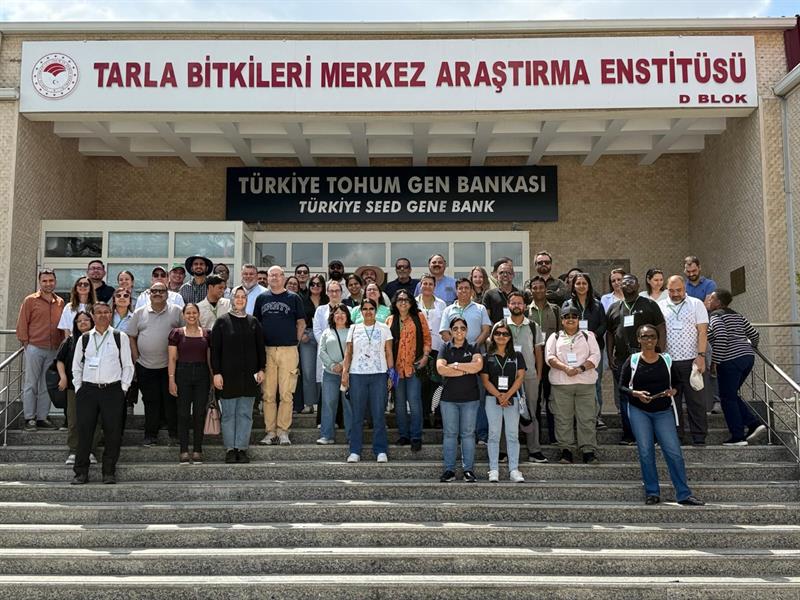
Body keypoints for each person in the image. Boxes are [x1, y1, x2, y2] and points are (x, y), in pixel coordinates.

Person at [619, 324, 705, 506]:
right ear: (638, 339)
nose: (648, 340)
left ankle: (683, 494)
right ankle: (652, 492)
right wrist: (635, 393)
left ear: (657, 339)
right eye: (644, 336)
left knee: (674, 452)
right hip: (639, 410)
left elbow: (678, 383)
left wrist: (674, 391)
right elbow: (622, 387)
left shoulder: (666, 360)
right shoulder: (632, 360)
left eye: (652, 336)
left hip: (663, 411)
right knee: (645, 451)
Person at [70, 302, 135, 485]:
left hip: (112, 390)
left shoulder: (119, 337)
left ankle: (108, 472)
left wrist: (123, 389)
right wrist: (79, 387)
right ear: (92, 315)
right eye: (98, 312)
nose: (103, 315)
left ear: (111, 314)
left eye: (106, 312)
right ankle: (80, 473)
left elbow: (128, 365)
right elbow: (76, 366)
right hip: (88, 391)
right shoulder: (84, 338)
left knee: (113, 433)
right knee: (85, 432)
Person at [606, 274, 666, 445]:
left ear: (638, 285)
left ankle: (653, 435)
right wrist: (609, 355)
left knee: (650, 394)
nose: (627, 284)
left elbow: (661, 327)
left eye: (631, 282)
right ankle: (629, 435)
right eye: (624, 282)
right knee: (625, 397)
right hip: (622, 360)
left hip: (647, 358)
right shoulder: (614, 308)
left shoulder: (649, 305)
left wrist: (659, 351)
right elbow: (609, 334)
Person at [211, 285, 266, 464]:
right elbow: (215, 351)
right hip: (227, 377)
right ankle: (230, 449)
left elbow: (260, 348)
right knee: (228, 415)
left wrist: (261, 369)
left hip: (249, 377)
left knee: (245, 414)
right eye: (237, 296)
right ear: (232, 299)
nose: (240, 299)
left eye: (243, 297)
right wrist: (216, 373)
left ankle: (241, 449)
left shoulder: (254, 322)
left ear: (246, 300)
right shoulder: (221, 322)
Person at [706, 289, 767, 446]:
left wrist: (715, 362)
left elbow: (721, 336)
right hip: (747, 358)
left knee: (727, 397)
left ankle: (738, 436)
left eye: (711, 299)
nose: (708, 301)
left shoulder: (716, 316)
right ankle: (753, 424)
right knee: (731, 394)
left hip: (730, 360)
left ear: (718, 302)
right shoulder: (737, 315)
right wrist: (751, 346)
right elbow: (754, 334)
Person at [254, 266, 306, 446]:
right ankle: (270, 432)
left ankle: (283, 431)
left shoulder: (294, 298)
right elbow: (256, 324)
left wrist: (294, 343)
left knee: (286, 393)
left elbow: (301, 323)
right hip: (267, 350)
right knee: (268, 394)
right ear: (267, 278)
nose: (274, 278)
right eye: (271, 275)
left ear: (284, 277)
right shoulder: (262, 298)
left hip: (288, 350)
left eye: (278, 275)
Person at [128, 282, 184, 447]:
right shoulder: (139, 313)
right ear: (149, 294)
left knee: (171, 401)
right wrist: (136, 358)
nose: (157, 293)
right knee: (150, 401)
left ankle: (174, 435)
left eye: (161, 291)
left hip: (170, 366)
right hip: (145, 366)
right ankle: (150, 436)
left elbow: (185, 333)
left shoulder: (176, 311)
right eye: (154, 291)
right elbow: (132, 336)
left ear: (167, 293)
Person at [546, 305, 602, 464]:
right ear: (562, 320)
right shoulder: (555, 337)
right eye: (566, 317)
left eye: (574, 316)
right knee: (562, 419)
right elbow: (549, 357)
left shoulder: (588, 335)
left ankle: (588, 451)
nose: (570, 319)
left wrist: (579, 369)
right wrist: (565, 368)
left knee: (587, 418)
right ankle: (566, 451)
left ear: (579, 319)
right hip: (561, 385)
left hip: (585, 384)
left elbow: (595, 356)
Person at [341, 298, 394, 463]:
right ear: (361, 311)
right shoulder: (353, 328)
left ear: (376, 311)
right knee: (357, 414)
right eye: (365, 309)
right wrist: (345, 372)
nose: (368, 311)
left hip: (379, 374)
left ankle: (380, 450)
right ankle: (355, 450)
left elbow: (389, 352)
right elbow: (348, 353)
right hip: (357, 374)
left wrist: (391, 374)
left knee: (378, 414)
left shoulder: (384, 328)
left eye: (371, 308)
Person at [659, 275, 710, 445]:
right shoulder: (660, 306)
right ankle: (676, 437)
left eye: (679, 290)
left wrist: (701, 356)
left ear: (685, 288)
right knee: (672, 403)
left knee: (696, 401)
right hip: (669, 362)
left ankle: (699, 437)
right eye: (671, 290)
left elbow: (702, 331)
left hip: (692, 361)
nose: (675, 294)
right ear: (667, 290)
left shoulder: (696, 304)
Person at [441, 278, 493, 443]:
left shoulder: (480, 308)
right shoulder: (448, 310)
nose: (463, 291)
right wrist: (457, 348)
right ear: (456, 291)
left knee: (480, 396)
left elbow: (486, 330)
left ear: (471, 291)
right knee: (456, 398)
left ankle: (481, 434)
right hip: (453, 359)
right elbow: (444, 332)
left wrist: (472, 348)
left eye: (466, 288)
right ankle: (456, 435)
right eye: (460, 288)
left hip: (477, 358)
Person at [436, 316, 484, 482]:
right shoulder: (445, 347)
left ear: (467, 330)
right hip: (448, 399)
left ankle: (468, 470)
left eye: (462, 328)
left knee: (468, 435)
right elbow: (441, 369)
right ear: (450, 331)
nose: (459, 331)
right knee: (450, 434)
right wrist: (466, 369)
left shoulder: (473, 346)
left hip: (470, 399)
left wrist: (455, 366)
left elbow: (478, 366)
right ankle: (449, 470)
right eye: (455, 328)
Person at [16, 270, 65, 431]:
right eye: (45, 281)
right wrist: (26, 343)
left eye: (51, 280)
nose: (48, 283)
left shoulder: (60, 302)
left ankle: (42, 417)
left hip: (53, 349)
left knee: (46, 385)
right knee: (31, 383)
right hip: (35, 347)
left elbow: (62, 326)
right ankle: (29, 418)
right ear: (40, 282)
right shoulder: (30, 300)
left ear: (55, 282)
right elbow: (22, 323)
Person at [481, 321, 526, 483]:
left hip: (512, 399)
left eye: (505, 334)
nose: (501, 336)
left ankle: (514, 469)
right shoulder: (487, 357)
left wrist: (507, 395)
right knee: (494, 434)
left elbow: (520, 377)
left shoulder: (517, 356)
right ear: (493, 336)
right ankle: (494, 469)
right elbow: (485, 380)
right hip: (492, 399)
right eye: (498, 333)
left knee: (512, 435)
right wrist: (500, 396)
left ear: (510, 337)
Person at [386, 290, 432, 451]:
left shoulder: (419, 317)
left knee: (414, 401)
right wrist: (389, 370)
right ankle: (403, 435)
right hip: (396, 369)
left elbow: (427, 338)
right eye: (400, 299)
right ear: (395, 303)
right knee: (399, 403)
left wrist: (425, 356)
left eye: (406, 299)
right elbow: (386, 346)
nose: (403, 302)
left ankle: (416, 436)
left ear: (411, 302)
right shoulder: (390, 320)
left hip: (414, 367)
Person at [505, 291, 547, 463]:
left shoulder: (533, 326)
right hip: (506, 377)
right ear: (508, 305)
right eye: (513, 303)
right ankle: (503, 451)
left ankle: (534, 450)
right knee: (506, 413)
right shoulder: (500, 325)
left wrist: (538, 375)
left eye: (519, 303)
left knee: (531, 412)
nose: (516, 306)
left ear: (525, 306)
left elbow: (538, 352)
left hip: (529, 376)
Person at [562, 273, 607, 429]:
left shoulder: (597, 304)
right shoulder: (567, 304)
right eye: (578, 283)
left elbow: (603, 324)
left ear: (589, 286)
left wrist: (594, 335)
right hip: (574, 349)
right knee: (576, 381)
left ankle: (597, 416)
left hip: (594, 348)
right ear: (573, 286)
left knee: (595, 382)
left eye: (584, 283)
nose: (581, 286)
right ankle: (578, 416)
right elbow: (564, 323)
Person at [168, 303, 211, 465]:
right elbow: (172, 358)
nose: (191, 315)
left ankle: (198, 449)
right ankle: (184, 450)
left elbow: (209, 358)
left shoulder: (207, 333)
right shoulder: (176, 333)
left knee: (199, 413)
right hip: (182, 373)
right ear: (183, 315)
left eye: (194, 313)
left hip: (202, 374)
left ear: (199, 314)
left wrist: (212, 377)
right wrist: (171, 380)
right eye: (188, 313)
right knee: (183, 413)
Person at [56, 311, 100, 465]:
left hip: (95, 386)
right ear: (75, 324)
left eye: (86, 320)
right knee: (74, 419)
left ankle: (91, 450)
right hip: (73, 387)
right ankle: (74, 450)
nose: (83, 323)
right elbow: (60, 360)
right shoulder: (69, 341)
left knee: (94, 419)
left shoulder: (99, 339)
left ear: (92, 322)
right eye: (79, 321)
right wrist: (63, 377)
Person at [528, 275, 561, 444]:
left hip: (551, 360)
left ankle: (554, 437)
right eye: (535, 288)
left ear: (546, 290)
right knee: (533, 400)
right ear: (530, 290)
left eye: (541, 287)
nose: (538, 290)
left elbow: (561, 334)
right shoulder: (526, 311)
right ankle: (535, 438)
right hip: (531, 360)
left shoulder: (555, 309)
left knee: (551, 398)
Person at [317, 304, 353, 445]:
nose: (340, 315)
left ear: (347, 316)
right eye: (337, 313)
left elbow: (354, 350)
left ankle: (351, 436)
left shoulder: (352, 331)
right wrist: (332, 365)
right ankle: (327, 435)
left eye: (343, 313)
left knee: (349, 405)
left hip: (348, 373)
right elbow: (322, 351)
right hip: (329, 374)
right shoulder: (327, 332)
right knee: (328, 403)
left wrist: (343, 365)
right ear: (332, 316)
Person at [416, 273, 448, 423]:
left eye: (430, 284)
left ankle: (437, 415)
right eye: (425, 283)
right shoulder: (414, 303)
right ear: (420, 285)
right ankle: (423, 416)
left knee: (437, 384)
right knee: (422, 384)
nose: (427, 286)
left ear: (435, 286)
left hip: (437, 348)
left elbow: (445, 326)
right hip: (419, 350)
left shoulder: (441, 304)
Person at [298, 274, 328, 413]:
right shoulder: (302, 300)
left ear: (323, 286)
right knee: (308, 371)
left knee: (324, 370)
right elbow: (297, 319)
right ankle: (309, 403)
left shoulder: (327, 300)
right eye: (313, 284)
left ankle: (322, 403)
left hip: (326, 337)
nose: (315, 286)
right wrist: (301, 334)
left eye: (318, 284)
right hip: (308, 337)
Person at [482, 260, 519, 324]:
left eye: (508, 272)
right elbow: (486, 319)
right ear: (497, 276)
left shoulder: (521, 294)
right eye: (501, 272)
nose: (505, 275)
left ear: (513, 275)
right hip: (496, 329)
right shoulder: (489, 294)